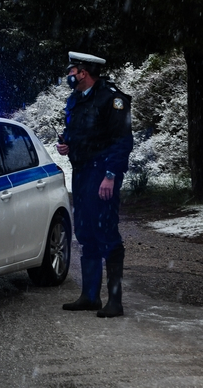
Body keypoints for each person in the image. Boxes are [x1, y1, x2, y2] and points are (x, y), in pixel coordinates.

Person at [56, 51, 132, 318]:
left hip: (102, 174)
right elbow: (77, 132)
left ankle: (115, 301)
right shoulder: (76, 99)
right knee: (86, 232)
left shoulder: (112, 100)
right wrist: (67, 144)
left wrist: (110, 175)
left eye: (72, 71)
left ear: (83, 73)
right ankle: (90, 297)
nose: (69, 75)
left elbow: (122, 141)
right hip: (82, 171)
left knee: (106, 233)